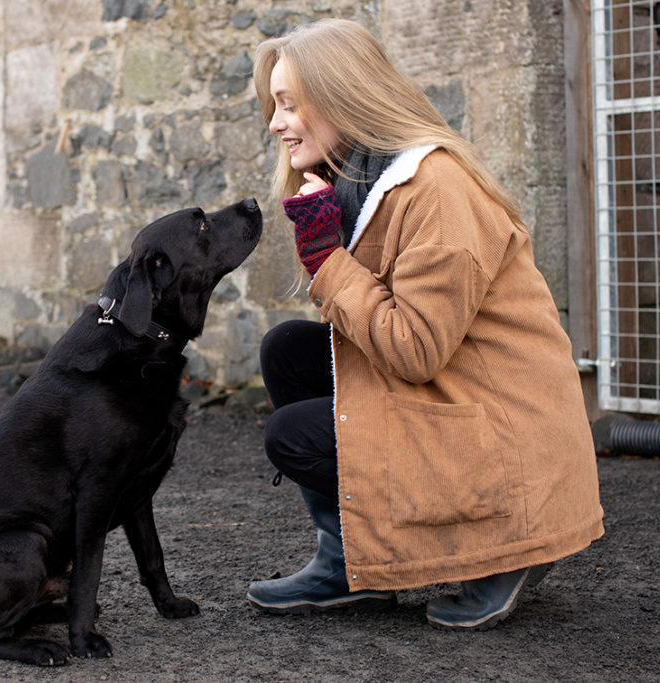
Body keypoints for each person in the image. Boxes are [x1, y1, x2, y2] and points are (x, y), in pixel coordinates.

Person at [247, 18, 604, 630]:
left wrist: (327, 260)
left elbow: (413, 350)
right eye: (273, 105)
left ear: (342, 97)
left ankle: (507, 547)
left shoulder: (435, 189)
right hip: (458, 388)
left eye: (287, 104)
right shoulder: (365, 182)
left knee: (293, 435)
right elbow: (374, 325)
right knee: (287, 350)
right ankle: (347, 564)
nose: (275, 122)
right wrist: (330, 252)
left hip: (506, 429)